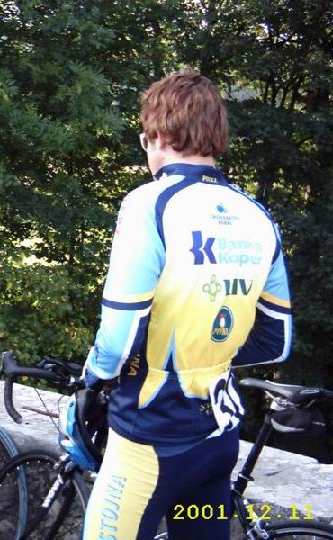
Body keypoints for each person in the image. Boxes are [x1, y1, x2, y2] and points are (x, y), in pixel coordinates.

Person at [81, 69, 292, 540]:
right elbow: (276, 342)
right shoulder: (258, 215)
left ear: (159, 135)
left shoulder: (149, 204)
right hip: (217, 440)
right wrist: (205, 359)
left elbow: (117, 339)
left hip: (149, 440)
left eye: (145, 139)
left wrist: (91, 379)